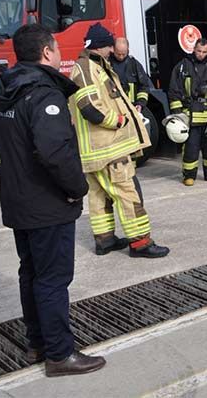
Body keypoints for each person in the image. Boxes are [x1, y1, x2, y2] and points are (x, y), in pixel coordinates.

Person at [0, 24, 106, 376]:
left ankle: (38, 343)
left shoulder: (5, 89)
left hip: (17, 200)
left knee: (31, 274)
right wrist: (77, 187)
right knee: (52, 280)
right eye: (57, 49)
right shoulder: (44, 92)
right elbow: (53, 152)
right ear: (47, 52)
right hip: (47, 203)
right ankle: (60, 355)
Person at [69, 23, 169, 258]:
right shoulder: (86, 68)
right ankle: (141, 243)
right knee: (128, 193)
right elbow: (90, 108)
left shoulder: (92, 66)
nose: (112, 51)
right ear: (101, 46)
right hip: (108, 148)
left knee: (99, 196)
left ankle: (105, 241)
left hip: (97, 150)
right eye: (109, 46)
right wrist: (120, 120)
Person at [168, 38, 207, 185]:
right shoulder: (183, 67)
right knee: (191, 148)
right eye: (198, 51)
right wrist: (178, 114)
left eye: (204, 52)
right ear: (194, 49)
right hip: (191, 116)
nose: (201, 54)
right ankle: (189, 176)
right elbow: (173, 91)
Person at [110, 38, 152, 112]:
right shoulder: (107, 64)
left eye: (123, 54)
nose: (121, 57)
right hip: (114, 109)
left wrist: (140, 104)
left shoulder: (134, 65)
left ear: (128, 50)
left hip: (132, 108)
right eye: (118, 54)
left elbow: (144, 86)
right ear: (113, 49)